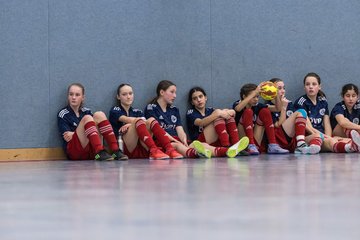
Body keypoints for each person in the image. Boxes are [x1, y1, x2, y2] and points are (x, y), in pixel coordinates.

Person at [144, 80, 248, 158]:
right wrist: (217, 113)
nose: (175, 96)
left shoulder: (174, 109)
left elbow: (179, 129)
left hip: (180, 141)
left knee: (201, 144)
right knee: (199, 144)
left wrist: (183, 140)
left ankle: (233, 147)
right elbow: (157, 129)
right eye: (172, 92)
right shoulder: (151, 108)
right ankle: (226, 150)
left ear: (205, 97)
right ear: (162, 92)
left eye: (175, 92)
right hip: (165, 142)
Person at [109, 83, 183, 159]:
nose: (128, 97)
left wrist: (130, 125)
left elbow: (145, 122)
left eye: (130, 93)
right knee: (138, 120)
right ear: (118, 97)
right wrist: (133, 124)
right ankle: (153, 149)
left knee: (151, 120)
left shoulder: (137, 111)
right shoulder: (115, 109)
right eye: (124, 94)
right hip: (123, 148)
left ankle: (169, 149)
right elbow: (126, 119)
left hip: (141, 146)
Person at [57, 83, 128, 161]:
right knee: (87, 118)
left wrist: (76, 132)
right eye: (71, 94)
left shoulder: (87, 111)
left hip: (90, 151)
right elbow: (67, 137)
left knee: (99, 114)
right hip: (74, 152)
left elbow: (93, 130)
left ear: (83, 97)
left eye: (77, 95)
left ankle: (115, 150)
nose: (73, 97)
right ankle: (99, 151)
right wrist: (84, 130)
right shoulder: (63, 113)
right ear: (68, 96)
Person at [294, 72, 360, 153]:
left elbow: (327, 123)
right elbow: (309, 128)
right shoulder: (301, 102)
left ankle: (352, 147)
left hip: (322, 135)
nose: (311, 87)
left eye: (314, 84)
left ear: (319, 87)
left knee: (341, 141)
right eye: (307, 84)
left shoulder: (323, 101)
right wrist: (324, 137)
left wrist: (328, 136)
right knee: (329, 141)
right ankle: (310, 148)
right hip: (309, 136)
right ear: (304, 87)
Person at [186, 86, 249, 155]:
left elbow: (223, 113)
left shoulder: (210, 110)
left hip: (215, 140)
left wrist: (230, 112)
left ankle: (235, 144)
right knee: (218, 116)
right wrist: (218, 113)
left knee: (225, 116)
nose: (199, 100)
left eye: (200, 96)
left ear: (205, 98)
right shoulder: (191, 112)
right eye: (195, 98)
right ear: (192, 102)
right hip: (200, 142)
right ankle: (226, 146)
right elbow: (201, 122)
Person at [266, 78, 322, 154]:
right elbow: (278, 125)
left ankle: (305, 149)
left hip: (292, 140)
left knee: (317, 136)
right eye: (279, 88)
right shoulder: (268, 106)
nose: (283, 91)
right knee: (301, 111)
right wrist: (283, 107)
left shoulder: (289, 104)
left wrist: (313, 133)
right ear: (272, 91)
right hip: (279, 140)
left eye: (284, 88)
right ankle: (301, 145)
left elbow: (300, 122)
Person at [232, 82, 289, 155]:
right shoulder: (238, 103)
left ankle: (272, 145)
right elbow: (238, 109)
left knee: (265, 111)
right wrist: (255, 92)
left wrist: (276, 95)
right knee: (248, 112)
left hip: (254, 140)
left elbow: (277, 109)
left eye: (257, 97)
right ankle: (250, 145)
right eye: (253, 97)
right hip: (241, 140)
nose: (256, 99)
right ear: (244, 96)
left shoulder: (257, 105)